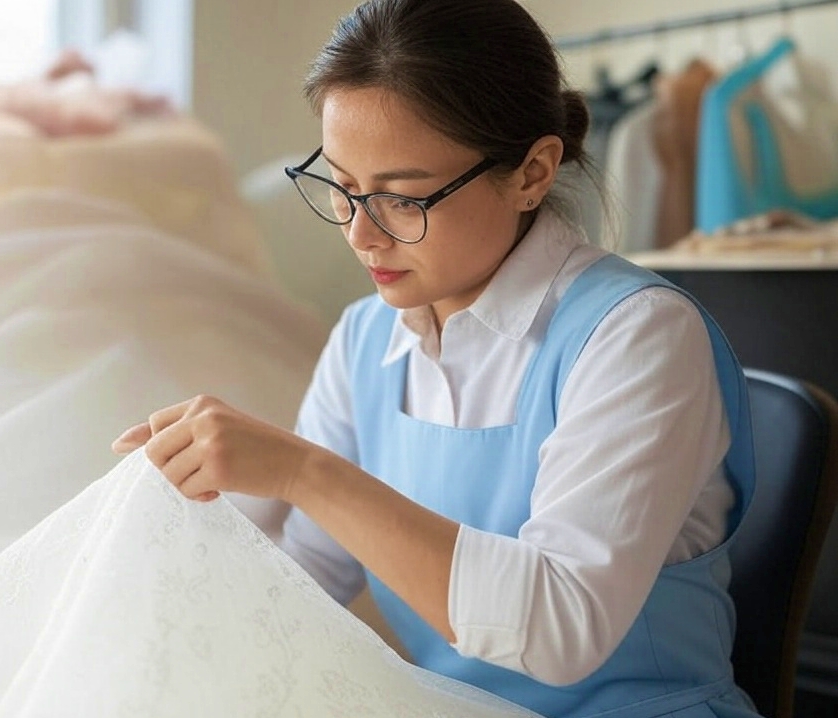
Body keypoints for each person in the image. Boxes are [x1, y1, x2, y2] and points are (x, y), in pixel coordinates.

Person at [113, 1, 760, 716]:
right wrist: (190, 530)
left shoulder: (637, 336)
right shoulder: (366, 339)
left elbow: (560, 632)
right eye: (343, 188)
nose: (361, 234)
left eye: (402, 197)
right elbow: (309, 580)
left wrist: (303, 471)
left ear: (532, 173)